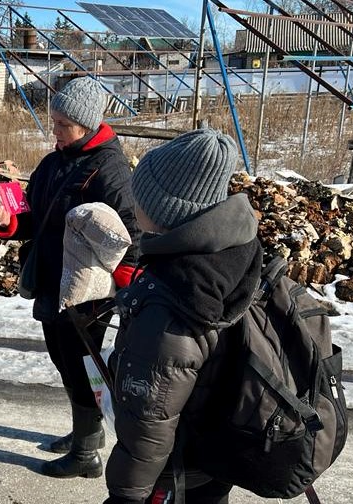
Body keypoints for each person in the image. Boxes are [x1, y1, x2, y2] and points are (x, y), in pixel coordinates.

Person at [0, 76, 141, 479]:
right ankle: (83, 433)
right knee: (64, 360)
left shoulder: (109, 168)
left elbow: (132, 232)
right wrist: (9, 221)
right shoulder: (57, 160)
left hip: (85, 290)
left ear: (86, 123)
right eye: (53, 121)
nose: (53, 130)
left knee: (80, 365)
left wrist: (128, 287)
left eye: (61, 124)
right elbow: (35, 216)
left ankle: (86, 453)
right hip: (53, 277)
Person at [103, 129, 263, 504]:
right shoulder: (233, 250)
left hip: (177, 463)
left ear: (165, 211)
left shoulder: (175, 295)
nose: (133, 204)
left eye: (139, 197)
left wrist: (126, 496)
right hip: (216, 447)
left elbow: (151, 422)